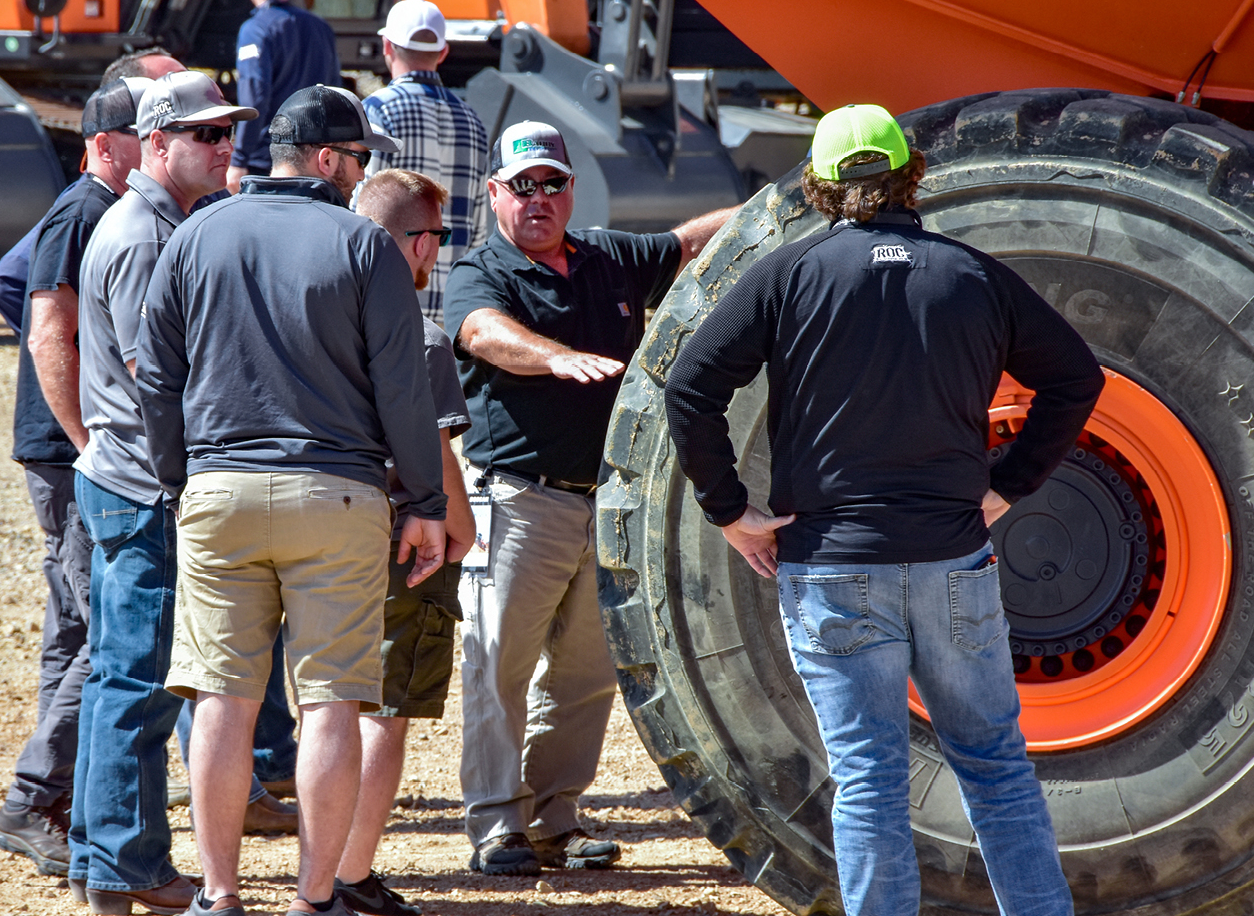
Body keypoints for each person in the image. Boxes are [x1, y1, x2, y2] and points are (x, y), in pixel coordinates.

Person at [662, 104, 1100, 916]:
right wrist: (1008, 483)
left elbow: (688, 386)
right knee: (995, 764)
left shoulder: (788, 273)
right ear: (911, 172)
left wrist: (729, 509)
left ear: (822, 185)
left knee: (868, 779)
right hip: (951, 562)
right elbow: (1076, 376)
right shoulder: (971, 275)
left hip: (833, 567)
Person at [135, 84, 446, 916]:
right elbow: (403, 388)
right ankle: (315, 899)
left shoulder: (198, 231)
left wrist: (180, 476)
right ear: (325, 159)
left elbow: (156, 376)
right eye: (358, 159)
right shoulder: (362, 244)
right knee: (330, 700)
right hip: (336, 493)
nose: (361, 174)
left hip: (219, 487)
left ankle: (220, 894)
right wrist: (424, 498)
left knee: (222, 702)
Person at [443, 120, 735, 875]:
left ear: (571, 189)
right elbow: (480, 333)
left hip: (603, 503)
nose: (537, 199)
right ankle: (495, 829)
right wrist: (555, 358)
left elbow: (686, 242)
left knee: (584, 674)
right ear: (495, 194)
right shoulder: (484, 269)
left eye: (551, 183)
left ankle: (554, 817)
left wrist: (779, 205)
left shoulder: (606, 255)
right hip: (518, 499)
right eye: (521, 186)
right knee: (497, 665)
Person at [66, 72, 258, 915]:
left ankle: (102, 857)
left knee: (124, 677)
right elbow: (160, 378)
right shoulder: (145, 235)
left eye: (226, 132)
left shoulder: (156, 222)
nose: (223, 146)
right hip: (144, 483)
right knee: (137, 684)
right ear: (156, 142)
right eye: (205, 134)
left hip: (129, 476)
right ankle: (122, 866)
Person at [0, 60, 178, 878]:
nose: (162, 145)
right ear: (106, 142)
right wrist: (87, 435)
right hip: (71, 455)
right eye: (149, 132)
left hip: (72, 450)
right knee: (101, 635)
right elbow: (38, 323)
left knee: (74, 630)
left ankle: (54, 796)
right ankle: (33, 797)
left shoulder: (107, 209)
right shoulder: (86, 211)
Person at [335, 170, 477, 916]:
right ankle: (350, 873)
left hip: (320, 528)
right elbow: (434, 449)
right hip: (398, 538)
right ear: (419, 242)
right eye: (439, 238)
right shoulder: (418, 334)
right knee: (383, 710)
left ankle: (315, 872)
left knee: (326, 705)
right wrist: (462, 523)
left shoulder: (319, 311)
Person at [0, 46, 185, 333]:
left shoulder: (189, 188)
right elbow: (10, 281)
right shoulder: (86, 212)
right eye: (168, 90)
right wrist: (77, 350)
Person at [361, 0, 489, 325]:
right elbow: (478, 229)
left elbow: (363, 211)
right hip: (449, 307)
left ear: (387, 45)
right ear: (443, 52)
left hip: (388, 301)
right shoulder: (472, 120)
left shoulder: (377, 110)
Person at [226, 0, 342, 193]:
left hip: (268, 162)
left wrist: (238, 159)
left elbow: (255, 95)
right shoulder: (321, 28)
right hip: (315, 160)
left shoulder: (254, 30)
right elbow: (334, 93)